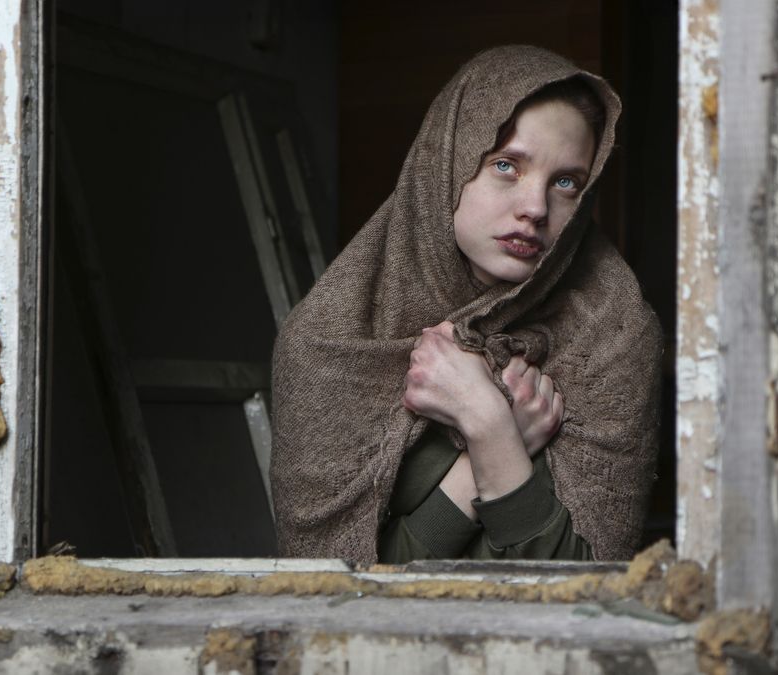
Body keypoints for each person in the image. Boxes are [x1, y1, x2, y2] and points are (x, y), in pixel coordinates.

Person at [270, 45, 662, 564]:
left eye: (566, 182)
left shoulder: (613, 333)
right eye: (506, 165)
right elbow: (332, 584)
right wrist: (486, 454)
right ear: (446, 164)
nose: (535, 208)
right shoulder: (331, 339)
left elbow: (586, 581)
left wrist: (486, 424)